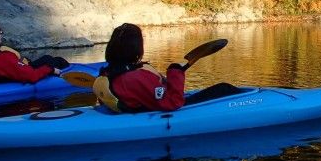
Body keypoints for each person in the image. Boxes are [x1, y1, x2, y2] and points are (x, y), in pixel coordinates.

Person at [101, 23, 242, 112]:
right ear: (137, 48)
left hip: (139, 105)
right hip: (166, 107)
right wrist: (175, 72)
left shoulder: (108, 72)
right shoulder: (136, 77)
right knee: (225, 88)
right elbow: (173, 102)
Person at [0, 21, 69, 83]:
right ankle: (70, 70)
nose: (1, 35)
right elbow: (32, 76)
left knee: (47, 57)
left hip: (11, 72)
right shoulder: (3, 58)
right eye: (0, 33)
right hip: (23, 73)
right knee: (57, 61)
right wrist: (51, 70)